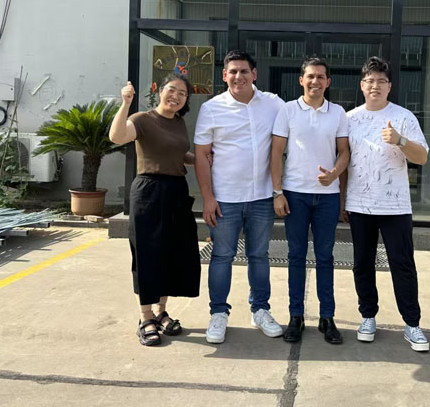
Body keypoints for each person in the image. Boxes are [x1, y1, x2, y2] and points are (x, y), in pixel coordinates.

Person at [194, 50, 285, 344]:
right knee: (222, 256)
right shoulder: (211, 109)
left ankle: (260, 310)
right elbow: (201, 155)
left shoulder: (273, 104)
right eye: (232, 71)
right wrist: (208, 197)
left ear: (254, 74)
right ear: (224, 75)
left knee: (259, 255)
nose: (238, 76)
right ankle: (218, 313)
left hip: (262, 197)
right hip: (225, 199)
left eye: (244, 71)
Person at [342, 56, 430, 352]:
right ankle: (368, 316)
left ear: (389, 86)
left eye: (381, 81)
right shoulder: (350, 118)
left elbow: (422, 158)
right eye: (370, 81)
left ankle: (412, 323)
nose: (375, 86)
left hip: (395, 207)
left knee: (402, 264)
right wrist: (342, 200)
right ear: (362, 85)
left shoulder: (403, 117)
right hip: (360, 205)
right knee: (362, 264)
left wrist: (400, 141)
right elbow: (344, 161)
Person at [109, 73, 202, 347]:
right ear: (160, 91)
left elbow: (177, 154)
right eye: (172, 90)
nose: (176, 96)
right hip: (149, 191)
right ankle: (146, 317)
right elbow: (117, 136)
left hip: (176, 190)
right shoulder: (143, 119)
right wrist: (125, 103)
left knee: (172, 253)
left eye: (182, 94)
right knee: (148, 254)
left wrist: (202, 158)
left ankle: (161, 313)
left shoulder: (179, 122)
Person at [271, 57, 350, 344]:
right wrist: (277, 192)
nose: (315, 81)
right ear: (301, 80)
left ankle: (327, 317)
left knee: (325, 256)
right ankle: (296, 316)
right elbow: (276, 152)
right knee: (295, 256)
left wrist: (334, 174)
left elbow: (344, 152)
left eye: (320, 77)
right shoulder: (288, 110)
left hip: (327, 197)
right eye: (310, 76)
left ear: (328, 82)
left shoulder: (338, 113)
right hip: (295, 194)